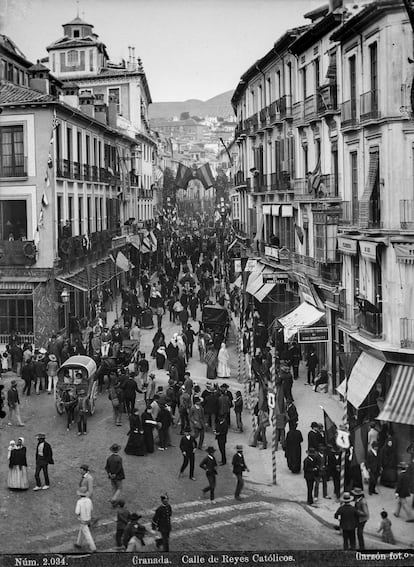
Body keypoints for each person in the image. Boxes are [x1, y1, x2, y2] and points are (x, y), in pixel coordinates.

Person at [74, 486, 96, 552]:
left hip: (82, 519)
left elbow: (77, 512)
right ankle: (78, 543)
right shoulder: (89, 500)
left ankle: (93, 548)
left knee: (87, 534)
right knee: (82, 530)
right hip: (88, 518)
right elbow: (92, 509)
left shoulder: (79, 502)